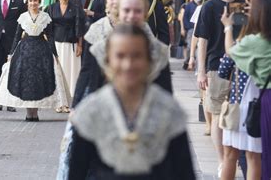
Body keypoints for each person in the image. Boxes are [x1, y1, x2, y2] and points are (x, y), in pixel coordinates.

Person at [62, 25, 195, 179]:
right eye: (120, 56)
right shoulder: (91, 112)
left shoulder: (168, 110)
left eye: (137, 56)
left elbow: (185, 172)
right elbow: (77, 171)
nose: (128, 65)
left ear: (148, 60)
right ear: (107, 61)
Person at [195, 0, 250, 176]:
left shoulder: (243, 6)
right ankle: (222, 160)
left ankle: (232, 156)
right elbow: (202, 39)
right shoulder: (209, 6)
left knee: (235, 113)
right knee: (217, 113)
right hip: (216, 66)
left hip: (240, 69)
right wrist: (201, 71)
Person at [0, 0, 71, 120]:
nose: (33, 3)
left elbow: (50, 37)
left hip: (42, 52)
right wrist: (11, 53)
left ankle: (35, 113)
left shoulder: (45, 17)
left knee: (38, 82)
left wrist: (55, 55)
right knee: (26, 81)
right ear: (27, 2)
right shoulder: (23, 17)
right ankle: (29, 113)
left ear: (39, 1)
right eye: (30, 1)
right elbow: (17, 36)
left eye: (35, 0)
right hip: (24, 52)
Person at [224, 0, 271, 180]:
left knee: (262, 153)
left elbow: (230, 53)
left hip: (266, 99)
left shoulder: (255, 42)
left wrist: (228, 27)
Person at [72, 0, 130, 107]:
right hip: (100, 93)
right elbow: (86, 69)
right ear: (107, 0)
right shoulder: (96, 29)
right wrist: (76, 104)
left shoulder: (140, 29)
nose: (116, 1)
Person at [188, 0, 223, 137]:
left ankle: (214, 124)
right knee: (205, 93)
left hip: (218, 57)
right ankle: (209, 124)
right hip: (205, 55)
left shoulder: (225, 6)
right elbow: (197, 34)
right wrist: (191, 56)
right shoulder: (204, 8)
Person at [46, 0, 85, 110]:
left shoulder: (76, 8)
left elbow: (79, 27)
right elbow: (46, 27)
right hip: (56, 45)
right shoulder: (51, 8)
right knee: (58, 73)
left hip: (71, 45)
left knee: (71, 73)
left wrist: (80, 45)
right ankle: (59, 102)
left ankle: (70, 102)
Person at [181, 0, 202, 69]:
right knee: (190, 45)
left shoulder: (201, 5)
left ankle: (194, 62)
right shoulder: (189, 5)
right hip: (191, 29)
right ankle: (188, 61)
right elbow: (185, 17)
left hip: (198, 29)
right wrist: (186, 28)